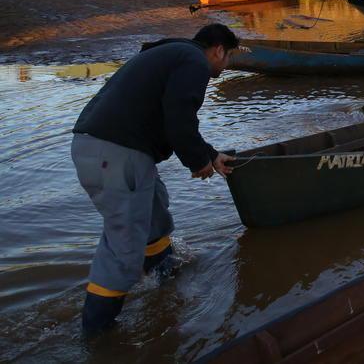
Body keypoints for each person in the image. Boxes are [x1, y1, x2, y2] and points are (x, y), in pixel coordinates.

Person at [70, 23, 238, 336]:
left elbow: (167, 116)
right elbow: (179, 119)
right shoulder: (195, 62)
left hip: (99, 147)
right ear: (218, 50)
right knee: (124, 249)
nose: (224, 68)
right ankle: (97, 334)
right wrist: (198, 161)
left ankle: (166, 280)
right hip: (117, 155)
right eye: (227, 59)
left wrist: (210, 154)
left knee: (154, 213)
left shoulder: (169, 54)